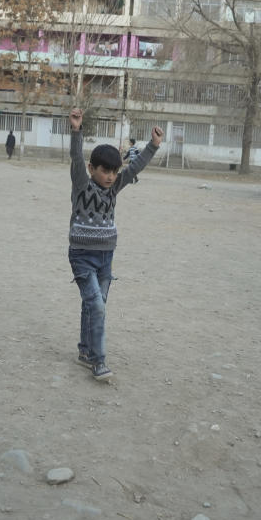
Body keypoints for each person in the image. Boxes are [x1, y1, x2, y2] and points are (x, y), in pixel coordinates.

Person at [67, 107, 163, 381]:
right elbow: (75, 158)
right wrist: (76, 130)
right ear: (92, 169)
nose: (110, 176)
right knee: (96, 305)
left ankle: (85, 351)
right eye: (104, 171)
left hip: (106, 257)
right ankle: (98, 361)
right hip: (82, 256)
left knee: (95, 305)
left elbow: (135, 167)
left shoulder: (116, 186)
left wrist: (152, 146)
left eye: (113, 171)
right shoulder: (82, 185)